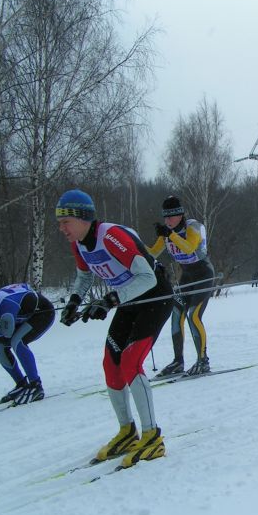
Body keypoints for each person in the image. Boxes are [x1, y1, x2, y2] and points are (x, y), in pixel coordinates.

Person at [56, 189, 173, 468]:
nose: (61, 228)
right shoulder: (80, 243)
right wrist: (74, 301)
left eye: (65, 222)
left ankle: (152, 436)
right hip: (129, 299)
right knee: (111, 363)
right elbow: (84, 275)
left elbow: (146, 276)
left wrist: (109, 300)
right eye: (59, 223)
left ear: (83, 218)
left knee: (131, 362)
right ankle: (127, 431)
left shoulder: (110, 237)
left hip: (154, 296)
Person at [149, 196, 215, 376]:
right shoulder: (167, 233)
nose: (167, 221)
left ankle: (203, 361)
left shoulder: (193, 227)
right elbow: (153, 252)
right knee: (177, 313)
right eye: (165, 217)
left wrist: (169, 234)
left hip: (203, 275)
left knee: (193, 315)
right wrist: (133, 247)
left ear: (180, 215)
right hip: (186, 277)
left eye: (171, 216)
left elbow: (188, 248)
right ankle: (178, 362)